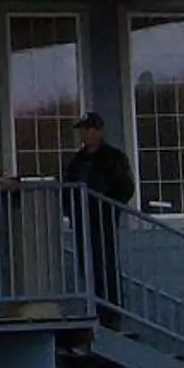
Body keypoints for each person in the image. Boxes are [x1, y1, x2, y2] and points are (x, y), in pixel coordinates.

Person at [63, 114, 135, 322]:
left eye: (88, 130)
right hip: (82, 220)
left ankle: (110, 315)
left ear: (98, 131)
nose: (85, 135)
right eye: (83, 131)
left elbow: (125, 187)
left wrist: (108, 207)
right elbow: (68, 186)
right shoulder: (78, 160)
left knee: (106, 265)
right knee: (88, 266)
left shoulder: (114, 157)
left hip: (104, 220)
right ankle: (93, 309)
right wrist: (70, 210)